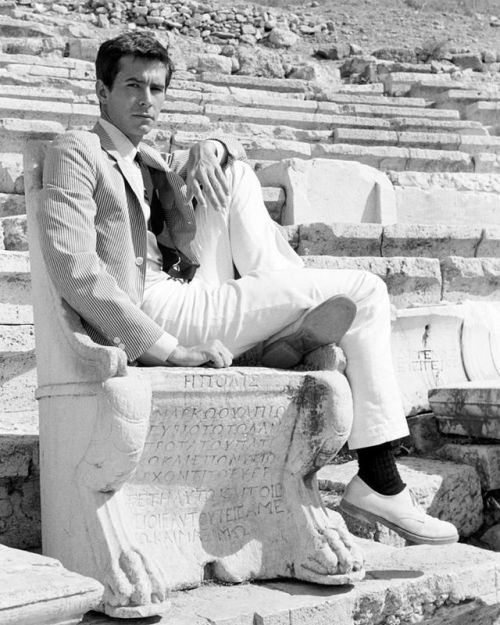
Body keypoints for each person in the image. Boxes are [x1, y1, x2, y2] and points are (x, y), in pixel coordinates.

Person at [39, 32, 458, 548]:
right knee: (368, 290)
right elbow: (75, 267)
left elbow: (222, 170)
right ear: (102, 91)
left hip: (186, 283)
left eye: (157, 88)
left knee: (230, 173)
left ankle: (283, 309)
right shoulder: (77, 151)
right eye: (132, 86)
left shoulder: (145, 159)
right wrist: (167, 350)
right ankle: (379, 478)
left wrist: (213, 145)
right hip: (157, 310)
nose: (147, 101)